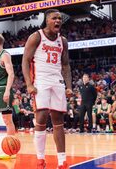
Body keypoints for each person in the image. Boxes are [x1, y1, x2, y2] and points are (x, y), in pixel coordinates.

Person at [22, 9, 72, 169]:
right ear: (46, 21)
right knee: (41, 118)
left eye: (59, 18)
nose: (58, 20)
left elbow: (65, 65)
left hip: (57, 81)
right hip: (40, 81)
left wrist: (69, 86)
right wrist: (29, 84)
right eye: (54, 18)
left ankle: (62, 160)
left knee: (59, 121)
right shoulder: (36, 36)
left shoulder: (62, 40)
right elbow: (25, 60)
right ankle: (40, 159)